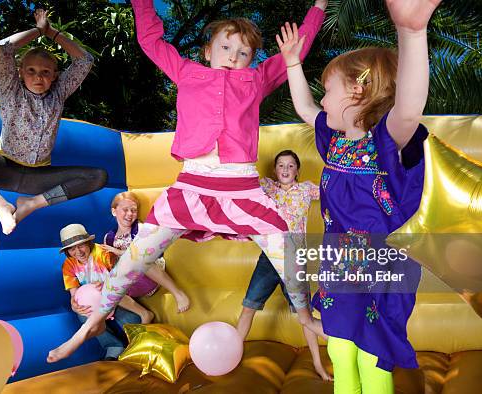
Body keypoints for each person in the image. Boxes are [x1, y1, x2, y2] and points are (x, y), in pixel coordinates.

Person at [47, 0, 328, 363]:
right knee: (133, 258)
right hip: (191, 186)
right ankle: (90, 325)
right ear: (208, 50)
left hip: (241, 187)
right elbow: (152, 41)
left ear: (251, 60)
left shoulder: (256, 80)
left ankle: (305, 315)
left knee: (287, 249)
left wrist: (319, 5)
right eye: (226, 47)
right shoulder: (187, 71)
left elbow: (297, 48)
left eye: (243, 53)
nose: (233, 56)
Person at [276, 0, 440, 391]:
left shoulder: (387, 142)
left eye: (328, 90)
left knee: (371, 357)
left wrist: (413, 34)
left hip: (382, 270)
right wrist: (292, 62)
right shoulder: (334, 143)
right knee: (340, 350)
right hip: (341, 265)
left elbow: (410, 105)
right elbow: (303, 106)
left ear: (357, 91)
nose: (323, 99)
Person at [0, 9, 104, 235]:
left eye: (46, 72)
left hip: (38, 178)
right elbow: (1, 49)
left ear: (55, 76)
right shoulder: (11, 89)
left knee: (98, 176)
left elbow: (85, 60)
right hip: (4, 168)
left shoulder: (58, 93)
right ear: (20, 72)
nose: (38, 77)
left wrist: (52, 33)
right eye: (32, 71)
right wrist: (38, 30)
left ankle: (32, 204)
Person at [236, 150, 330, 381]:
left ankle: (318, 363)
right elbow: (244, 182)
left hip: (294, 259)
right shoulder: (268, 188)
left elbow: (334, 192)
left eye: (290, 165)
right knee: (248, 307)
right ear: (275, 170)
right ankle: (232, 355)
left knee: (304, 316)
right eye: (280, 165)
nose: (285, 169)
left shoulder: (307, 189)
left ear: (297, 170)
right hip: (268, 258)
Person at [100, 191, 190, 320]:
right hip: (131, 282)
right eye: (125, 210)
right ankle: (144, 313)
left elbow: (151, 253)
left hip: (150, 274)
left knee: (140, 259)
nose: (130, 214)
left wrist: (119, 252)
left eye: (134, 210)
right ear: (114, 211)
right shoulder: (109, 237)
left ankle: (178, 293)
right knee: (109, 287)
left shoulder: (142, 229)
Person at [60, 223, 141, 361]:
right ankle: (114, 346)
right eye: (72, 249)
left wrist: (107, 285)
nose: (78, 252)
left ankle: (139, 340)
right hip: (96, 303)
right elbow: (74, 294)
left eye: (81, 246)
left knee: (134, 321)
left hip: (117, 296)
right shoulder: (68, 265)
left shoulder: (103, 253)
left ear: (88, 243)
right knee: (81, 313)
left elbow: (122, 276)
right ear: (67, 252)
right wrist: (74, 304)